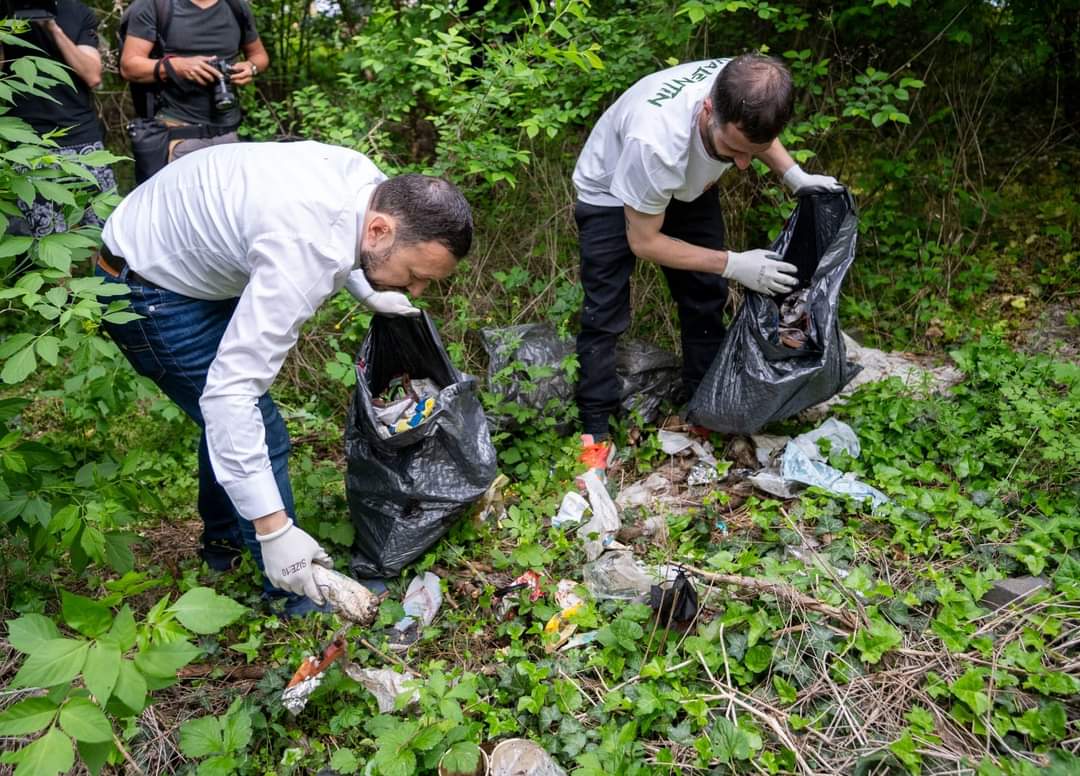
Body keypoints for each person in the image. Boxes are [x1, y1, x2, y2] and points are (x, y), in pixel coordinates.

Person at [97, 141, 473, 616]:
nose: (417, 290)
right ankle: (291, 589)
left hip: (184, 257)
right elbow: (229, 397)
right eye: (415, 275)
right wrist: (275, 531)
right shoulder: (304, 248)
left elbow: (355, 247)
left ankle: (224, 543)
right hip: (148, 288)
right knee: (257, 424)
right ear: (381, 228)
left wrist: (370, 291)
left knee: (232, 419)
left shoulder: (369, 188)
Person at [571, 53, 843, 468]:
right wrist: (734, 264)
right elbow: (644, 242)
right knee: (604, 310)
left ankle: (706, 408)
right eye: (732, 149)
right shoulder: (655, 144)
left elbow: (754, 139)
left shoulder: (747, 83)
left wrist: (793, 175)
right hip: (612, 189)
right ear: (708, 108)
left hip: (686, 181)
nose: (742, 164)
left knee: (703, 294)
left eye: (752, 151)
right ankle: (595, 430)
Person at [2, 0, 116, 236]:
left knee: (106, 234)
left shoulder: (77, 11)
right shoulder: (5, 9)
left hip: (82, 139)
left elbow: (92, 74)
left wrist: (52, 27)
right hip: (27, 145)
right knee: (42, 239)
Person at [119, 0, 269, 163]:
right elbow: (129, 66)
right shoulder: (154, 6)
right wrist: (176, 66)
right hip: (177, 135)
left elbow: (259, 56)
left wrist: (250, 67)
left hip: (228, 133)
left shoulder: (236, 6)